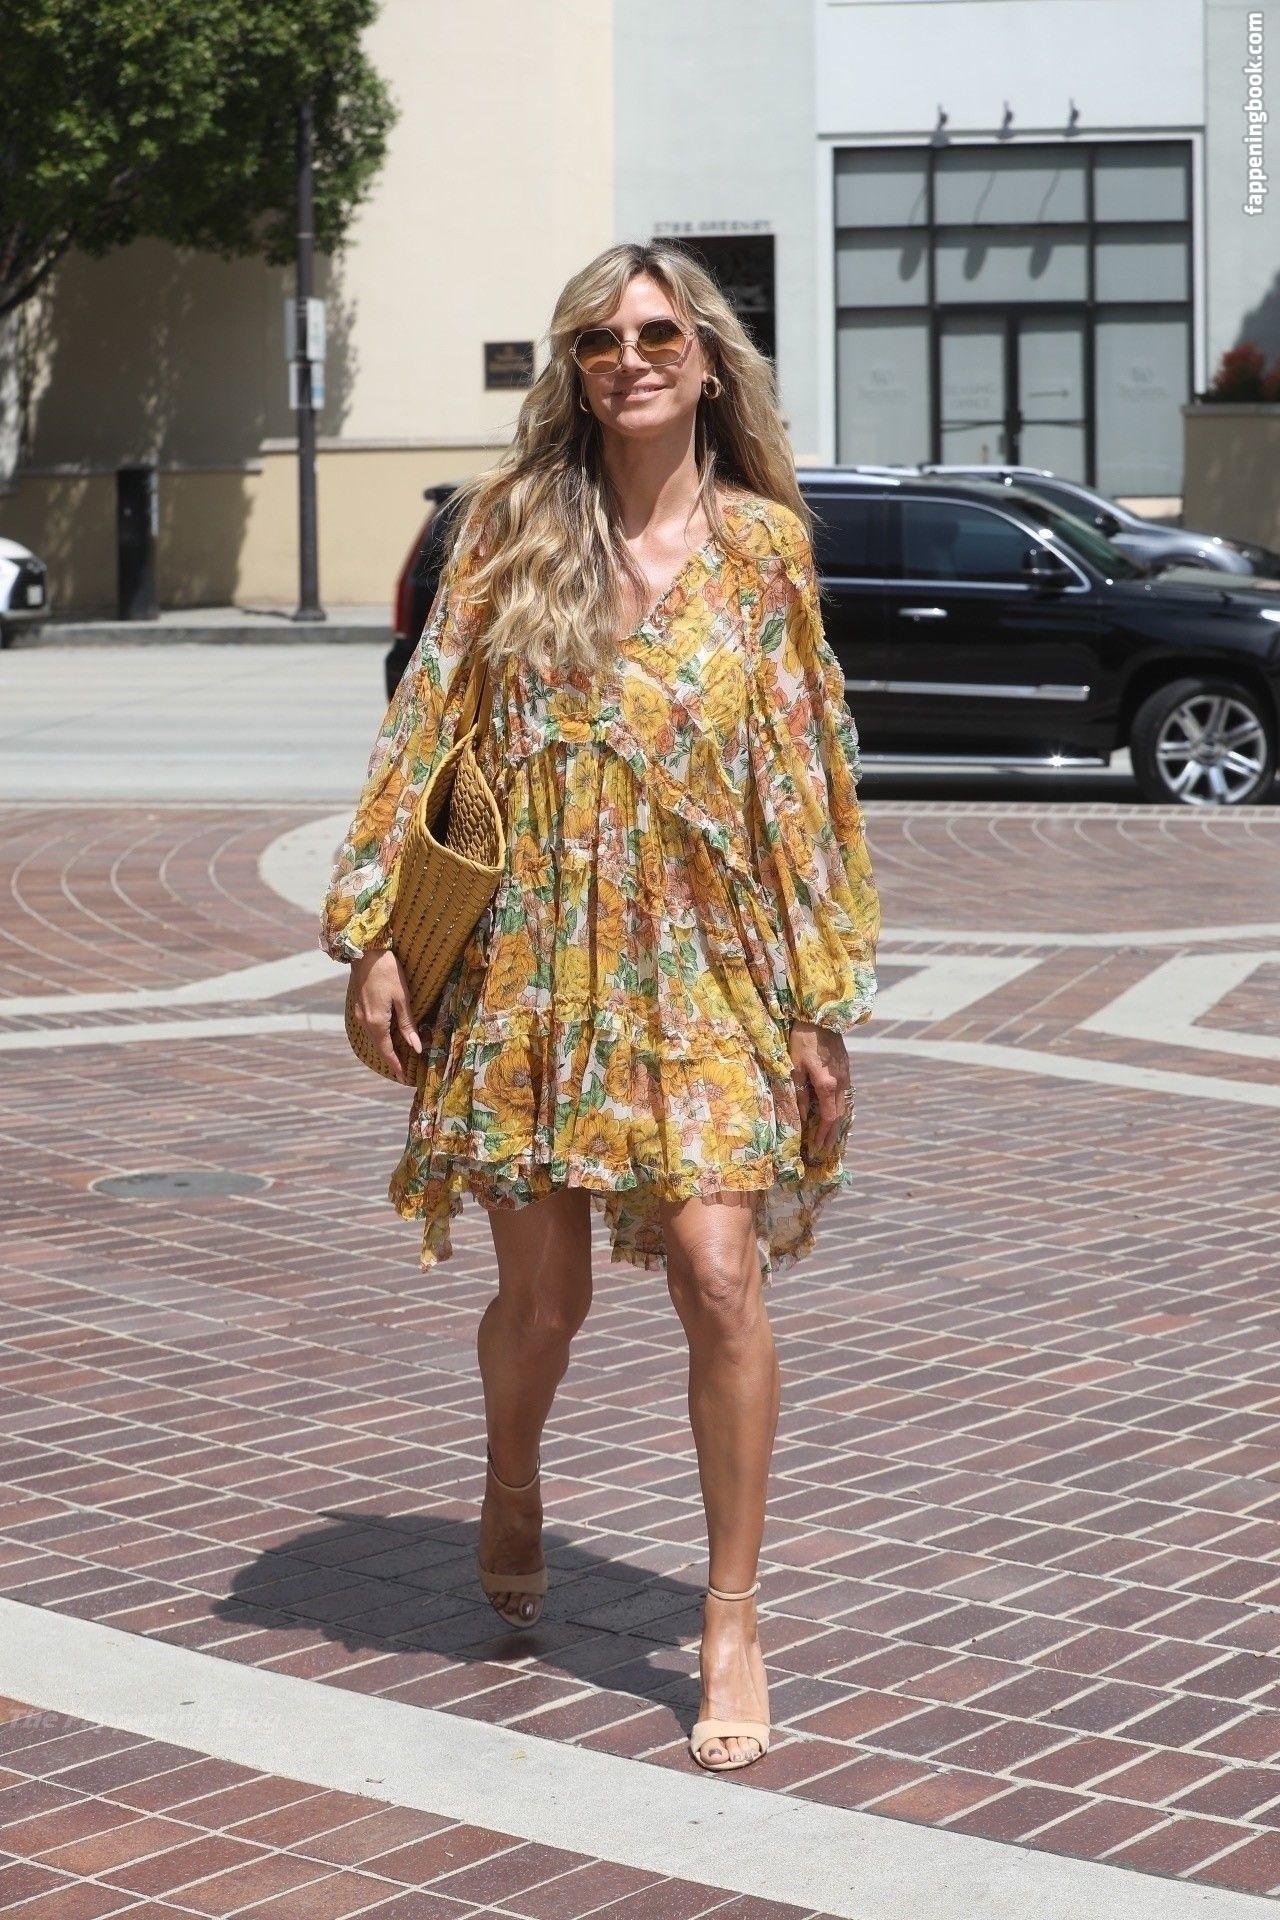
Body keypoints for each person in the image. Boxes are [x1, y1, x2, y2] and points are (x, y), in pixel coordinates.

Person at [319, 241, 880, 1773]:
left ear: (706, 361)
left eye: (655, 334)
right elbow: (424, 725)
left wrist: (818, 1002)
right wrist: (380, 934)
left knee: (720, 1272)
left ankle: (730, 1615)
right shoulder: (510, 529)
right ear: (574, 370)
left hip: (707, 959)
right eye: (598, 340)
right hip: (531, 962)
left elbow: (802, 780)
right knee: (546, 1304)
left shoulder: (763, 549)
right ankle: (512, 1476)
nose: (628, 359)